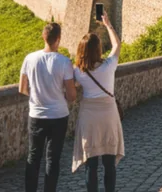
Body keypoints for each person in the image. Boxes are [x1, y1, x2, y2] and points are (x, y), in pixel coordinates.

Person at [20, 22, 76, 192]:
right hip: (58, 116)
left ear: (43, 37)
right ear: (58, 39)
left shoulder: (30, 58)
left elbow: (22, 88)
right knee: (53, 159)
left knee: (33, 157)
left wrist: (38, 97)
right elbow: (72, 95)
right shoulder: (64, 62)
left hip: (36, 115)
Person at [72, 13, 124, 192]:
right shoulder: (109, 66)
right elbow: (117, 44)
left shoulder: (78, 72)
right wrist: (108, 24)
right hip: (109, 115)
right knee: (109, 164)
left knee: (91, 164)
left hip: (89, 118)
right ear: (98, 50)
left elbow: (70, 86)